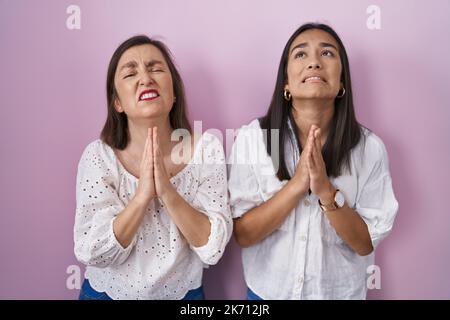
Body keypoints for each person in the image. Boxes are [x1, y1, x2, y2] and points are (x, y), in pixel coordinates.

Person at [228, 23, 398, 299]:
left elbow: (365, 244)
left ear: (342, 82)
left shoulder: (369, 149)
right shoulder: (255, 139)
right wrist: (296, 186)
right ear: (286, 83)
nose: (315, 63)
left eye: (328, 54)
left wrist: (326, 193)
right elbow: (244, 235)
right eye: (301, 54)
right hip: (266, 294)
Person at [74, 35, 232, 300]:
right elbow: (92, 251)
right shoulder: (98, 156)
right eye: (130, 73)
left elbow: (212, 248)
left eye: (155, 68)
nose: (145, 78)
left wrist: (168, 192)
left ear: (173, 95)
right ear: (118, 103)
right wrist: (141, 196)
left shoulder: (207, 149)